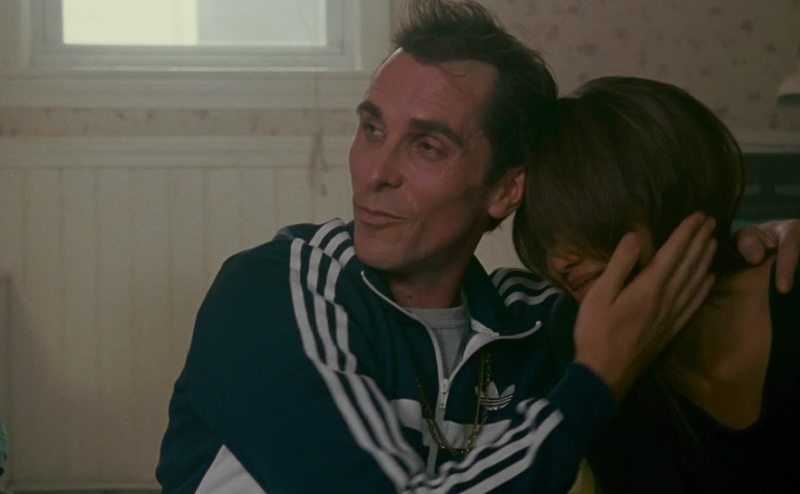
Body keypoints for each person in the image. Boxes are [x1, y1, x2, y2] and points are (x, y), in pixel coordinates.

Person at [157, 2, 800, 492]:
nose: (375, 171)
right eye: (372, 128)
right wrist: (594, 381)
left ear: (505, 189)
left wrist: (764, 237)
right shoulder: (272, 294)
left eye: (427, 145)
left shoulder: (540, 322)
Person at [513, 76, 800, 493]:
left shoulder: (788, 288)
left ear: (661, 191)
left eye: (576, 220)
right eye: (544, 238)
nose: (558, 262)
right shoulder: (577, 330)